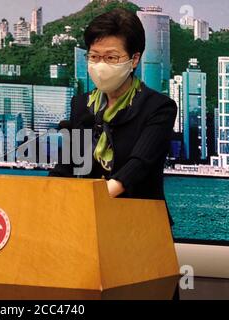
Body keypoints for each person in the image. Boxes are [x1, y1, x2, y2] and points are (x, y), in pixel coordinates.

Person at [49, 8, 177, 226]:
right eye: (94, 56)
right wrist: (47, 195)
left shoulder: (158, 107)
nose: (100, 65)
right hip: (87, 222)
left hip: (139, 226)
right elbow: (66, 167)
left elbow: (139, 165)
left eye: (111, 57)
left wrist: (93, 200)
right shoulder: (82, 106)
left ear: (134, 59)